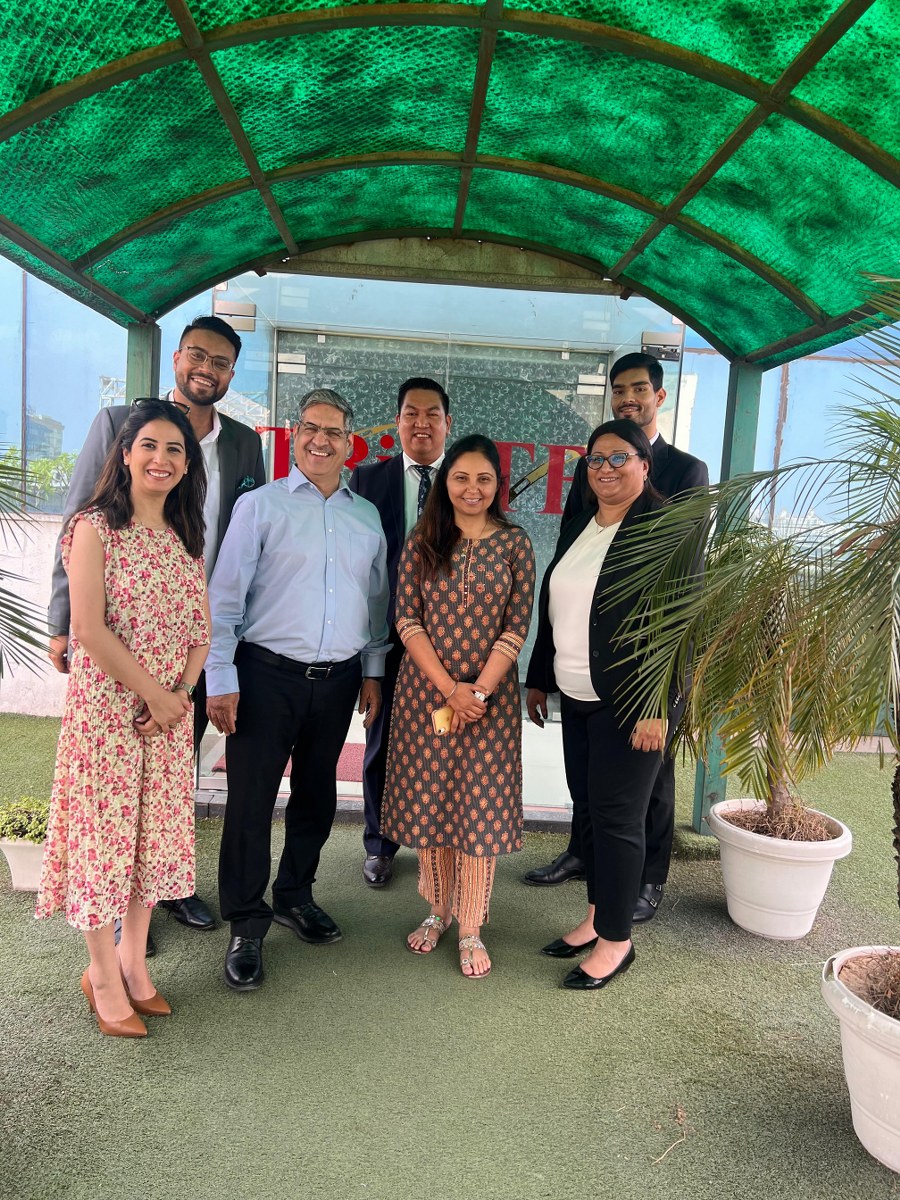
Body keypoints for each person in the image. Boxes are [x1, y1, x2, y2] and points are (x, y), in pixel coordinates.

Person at [47, 315, 265, 941]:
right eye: (197, 355)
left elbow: (244, 535)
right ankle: (115, 921)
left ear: (231, 373)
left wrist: (204, 661)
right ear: (176, 358)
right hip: (117, 631)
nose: (207, 369)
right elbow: (77, 517)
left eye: (220, 362)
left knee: (170, 771)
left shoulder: (245, 444)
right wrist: (62, 622)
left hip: (189, 633)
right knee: (111, 787)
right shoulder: (119, 422)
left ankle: (165, 890)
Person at [206, 388, 390, 992]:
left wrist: (371, 671)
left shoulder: (366, 517)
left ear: (349, 443)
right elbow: (224, 599)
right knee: (251, 801)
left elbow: (376, 602)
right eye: (311, 427)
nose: (321, 440)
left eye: (333, 431)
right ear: (294, 433)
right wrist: (222, 678)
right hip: (265, 676)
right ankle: (246, 922)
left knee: (316, 795)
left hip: (337, 681)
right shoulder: (259, 506)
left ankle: (294, 895)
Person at [36, 399, 210, 1036]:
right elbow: (87, 627)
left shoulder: (185, 538)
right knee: (104, 844)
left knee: (149, 843)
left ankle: (135, 964)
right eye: (150, 446)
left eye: (175, 450)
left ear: (187, 465)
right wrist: (155, 696)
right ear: (127, 454)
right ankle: (103, 974)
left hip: (165, 724)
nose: (162, 459)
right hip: (108, 720)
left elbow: (200, 632)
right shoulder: (93, 528)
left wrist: (178, 694)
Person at [524, 352, 708, 922]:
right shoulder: (588, 502)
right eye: (619, 389)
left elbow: (678, 608)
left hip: (636, 682)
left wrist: (659, 701)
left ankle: (644, 882)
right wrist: (540, 672)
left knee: (641, 793)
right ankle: (587, 863)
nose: (606, 469)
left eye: (639, 389)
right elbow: (561, 588)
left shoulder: (684, 477)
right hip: (581, 679)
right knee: (592, 791)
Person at [380, 434, 535, 978]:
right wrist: (450, 689)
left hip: (491, 703)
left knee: (479, 806)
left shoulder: (515, 543)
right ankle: (438, 909)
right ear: (445, 483)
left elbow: (517, 624)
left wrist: (479, 692)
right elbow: (407, 618)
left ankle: (471, 923)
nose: (473, 488)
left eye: (484, 479)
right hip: (427, 694)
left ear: (498, 485)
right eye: (461, 477)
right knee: (433, 801)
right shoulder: (424, 540)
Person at [348, 377, 452, 888]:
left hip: (452, 638)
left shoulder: (466, 480)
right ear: (397, 422)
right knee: (382, 742)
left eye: (432, 414)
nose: (421, 423)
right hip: (388, 638)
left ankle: (443, 843)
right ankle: (380, 843)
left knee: (447, 745)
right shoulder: (367, 480)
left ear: (448, 424)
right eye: (411, 413)